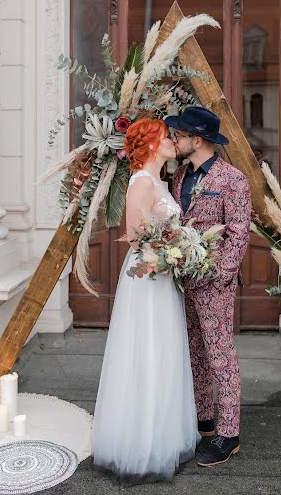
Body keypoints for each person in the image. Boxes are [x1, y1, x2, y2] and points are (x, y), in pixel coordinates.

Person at [91, 118, 200, 484]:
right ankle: (141, 443)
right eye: (166, 137)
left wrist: (180, 249)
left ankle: (163, 433)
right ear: (152, 143)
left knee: (165, 351)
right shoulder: (140, 181)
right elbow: (136, 237)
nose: (172, 141)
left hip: (163, 277)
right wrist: (171, 250)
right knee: (146, 351)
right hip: (148, 276)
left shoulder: (161, 182)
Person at [165, 105, 252, 467]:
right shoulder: (179, 176)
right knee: (194, 352)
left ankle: (228, 433)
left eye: (179, 135)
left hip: (215, 283)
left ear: (196, 139)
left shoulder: (233, 180)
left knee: (220, 356)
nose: (174, 140)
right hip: (181, 281)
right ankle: (203, 420)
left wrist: (219, 274)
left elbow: (239, 233)